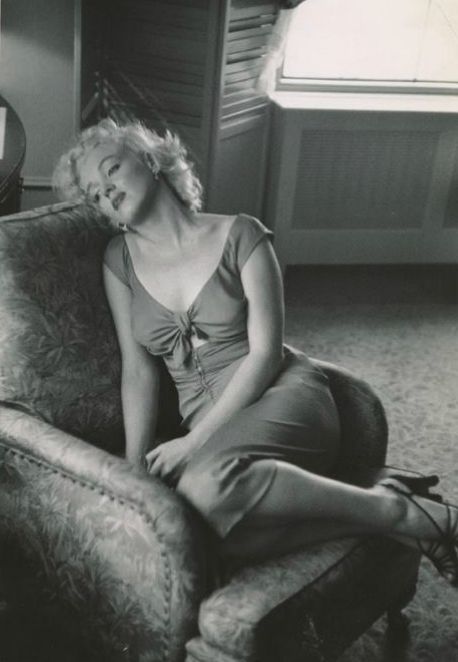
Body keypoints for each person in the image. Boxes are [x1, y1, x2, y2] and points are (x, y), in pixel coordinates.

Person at [53, 118, 458, 581]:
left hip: (281, 394)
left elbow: (265, 354)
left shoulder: (242, 235)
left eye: (111, 169)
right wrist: (133, 471)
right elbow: (138, 371)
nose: (106, 191)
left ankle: (403, 515)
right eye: (93, 193)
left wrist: (193, 443)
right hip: (212, 426)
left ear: (150, 160)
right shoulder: (118, 259)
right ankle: (392, 512)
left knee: (205, 490)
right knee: (207, 537)